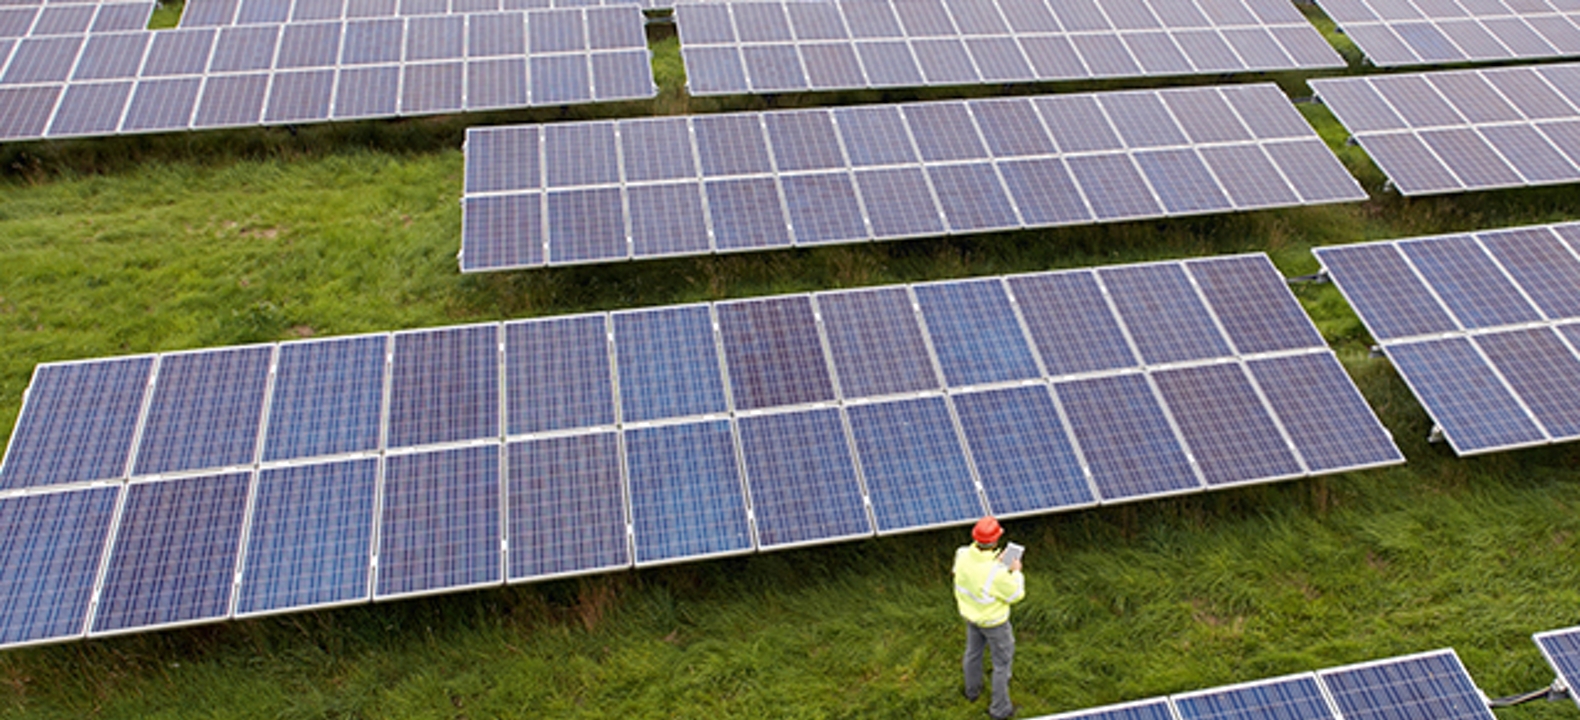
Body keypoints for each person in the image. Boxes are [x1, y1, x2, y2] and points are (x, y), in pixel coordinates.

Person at [953, 516, 1024, 720]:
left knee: (973, 653)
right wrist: (1015, 571)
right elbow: (1016, 594)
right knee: (1002, 664)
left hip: (970, 616)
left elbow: (965, 574)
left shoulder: (962, 554)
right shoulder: (997, 574)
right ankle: (1000, 710)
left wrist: (997, 563)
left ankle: (972, 692)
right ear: (996, 541)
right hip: (994, 623)